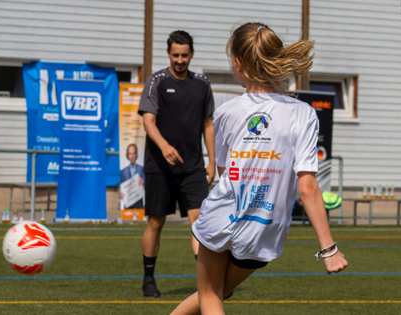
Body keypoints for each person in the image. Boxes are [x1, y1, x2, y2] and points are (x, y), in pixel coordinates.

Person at [170, 22, 348, 315]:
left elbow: (229, 171)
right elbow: (308, 187)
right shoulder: (303, 114)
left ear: (238, 64)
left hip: (222, 215)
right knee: (218, 291)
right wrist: (328, 250)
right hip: (264, 226)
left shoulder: (227, 112)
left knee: (211, 295)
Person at [138, 30, 216, 297]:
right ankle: (148, 279)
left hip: (193, 168)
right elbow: (148, 120)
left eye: (184, 55)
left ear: (191, 54)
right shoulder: (156, 81)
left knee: (200, 223)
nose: (180, 60)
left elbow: (208, 125)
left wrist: (212, 162)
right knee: (156, 222)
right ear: (168, 54)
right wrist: (164, 146)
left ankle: (207, 284)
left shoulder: (203, 84)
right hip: (159, 167)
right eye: (175, 55)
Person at [120, 143, 145, 208]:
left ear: (136, 154)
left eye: (133, 153)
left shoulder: (142, 169)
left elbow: (146, 187)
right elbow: (122, 187)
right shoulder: (123, 171)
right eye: (130, 153)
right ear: (127, 155)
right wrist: (121, 193)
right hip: (128, 203)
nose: (132, 156)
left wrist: (143, 183)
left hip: (139, 204)